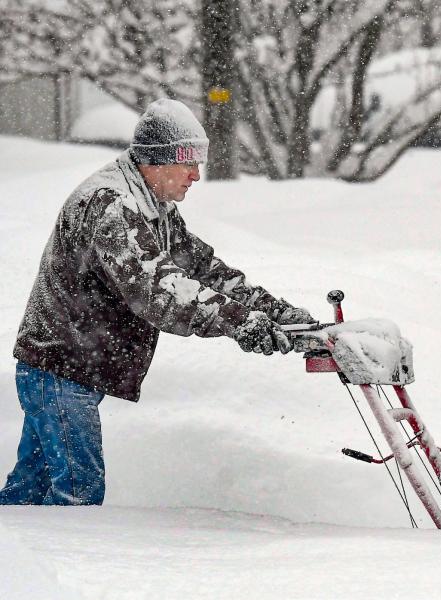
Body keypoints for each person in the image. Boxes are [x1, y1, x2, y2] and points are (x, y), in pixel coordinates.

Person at [1, 99, 313, 506]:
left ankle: (21, 559)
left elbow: (203, 270)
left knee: (30, 492)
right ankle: (70, 566)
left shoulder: (152, 207)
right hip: (60, 369)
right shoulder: (111, 204)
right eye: (188, 163)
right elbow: (158, 292)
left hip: (67, 367)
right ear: (157, 160)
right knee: (78, 493)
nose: (196, 175)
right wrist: (240, 323)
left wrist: (276, 312)